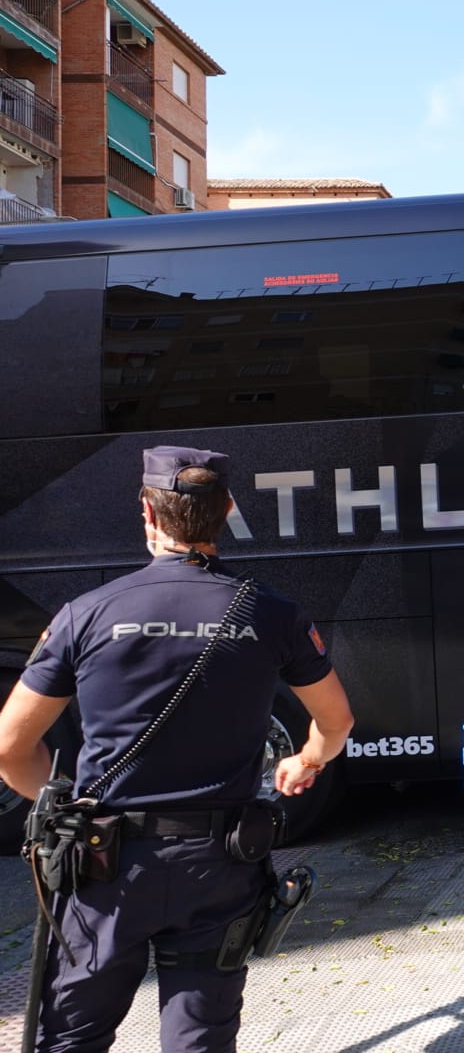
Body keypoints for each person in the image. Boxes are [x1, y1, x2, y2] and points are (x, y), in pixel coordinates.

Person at [0, 446, 355, 1053]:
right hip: (220, 862)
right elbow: (336, 720)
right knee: (201, 1037)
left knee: (72, 1036)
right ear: (229, 512)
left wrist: (67, 806)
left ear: (147, 512)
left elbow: (11, 747)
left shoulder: (85, 614)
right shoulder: (271, 613)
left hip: (104, 863)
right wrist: (306, 760)